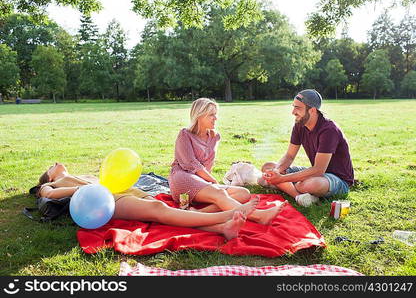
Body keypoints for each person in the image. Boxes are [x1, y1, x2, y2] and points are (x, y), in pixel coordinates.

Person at [32, 162, 260, 240]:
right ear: (50, 175)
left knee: (162, 215)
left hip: (124, 190)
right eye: (52, 166)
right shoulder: (52, 183)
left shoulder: (83, 174)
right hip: (104, 200)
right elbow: (48, 195)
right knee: (157, 209)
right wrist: (91, 187)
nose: (56, 163)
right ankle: (226, 214)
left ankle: (221, 228)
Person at [168, 98, 287, 224]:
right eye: (211, 115)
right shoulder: (185, 134)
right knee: (220, 193)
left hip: (201, 182)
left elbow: (208, 165)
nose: (216, 118)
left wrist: (211, 183)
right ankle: (257, 216)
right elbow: (191, 164)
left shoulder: (214, 137)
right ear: (199, 116)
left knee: (243, 193)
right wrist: (213, 181)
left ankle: (198, 214)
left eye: (216, 114)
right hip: (182, 178)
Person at [260, 89, 354, 207]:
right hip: (316, 173)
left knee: (309, 184)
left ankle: (289, 187)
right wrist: (277, 171)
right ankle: (299, 196)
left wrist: (282, 179)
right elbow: (289, 156)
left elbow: (319, 169)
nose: (293, 112)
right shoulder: (300, 125)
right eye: (293, 107)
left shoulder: (329, 130)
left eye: (298, 108)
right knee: (268, 167)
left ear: (312, 110)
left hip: (337, 179)